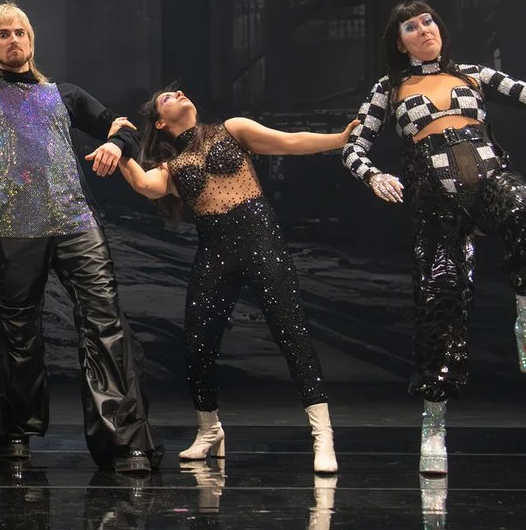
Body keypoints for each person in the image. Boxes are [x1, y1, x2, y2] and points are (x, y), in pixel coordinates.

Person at [0, 1, 157, 471]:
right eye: (3, 34)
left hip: (74, 220)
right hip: (13, 224)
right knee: (20, 332)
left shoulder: (65, 94)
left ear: (31, 41)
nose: (13, 39)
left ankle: (124, 441)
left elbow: (124, 127)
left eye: (19, 31)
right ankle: (15, 432)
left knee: (104, 323)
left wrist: (112, 143)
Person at [342, 0, 526, 475]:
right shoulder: (390, 88)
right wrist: (373, 176)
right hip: (436, 200)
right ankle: (434, 424)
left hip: (488, 176)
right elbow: (353, 147)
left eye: (427, 21)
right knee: (441, 301)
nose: (423, 29)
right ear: (400, 42)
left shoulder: (473, 74)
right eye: (411, 27)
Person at [118, 86, 355, 474]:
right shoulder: (171, 166)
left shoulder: (231, 129)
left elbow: (288, 142)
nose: (178, 93)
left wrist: (339, 140)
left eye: (178, 91)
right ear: (160, 123)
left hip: (261, 241)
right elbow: (145, 185)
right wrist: (119, 149)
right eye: (167, 98)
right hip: (215, 250)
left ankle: (322, 434)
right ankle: (209, 430)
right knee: (198, 343)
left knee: (292, 334)